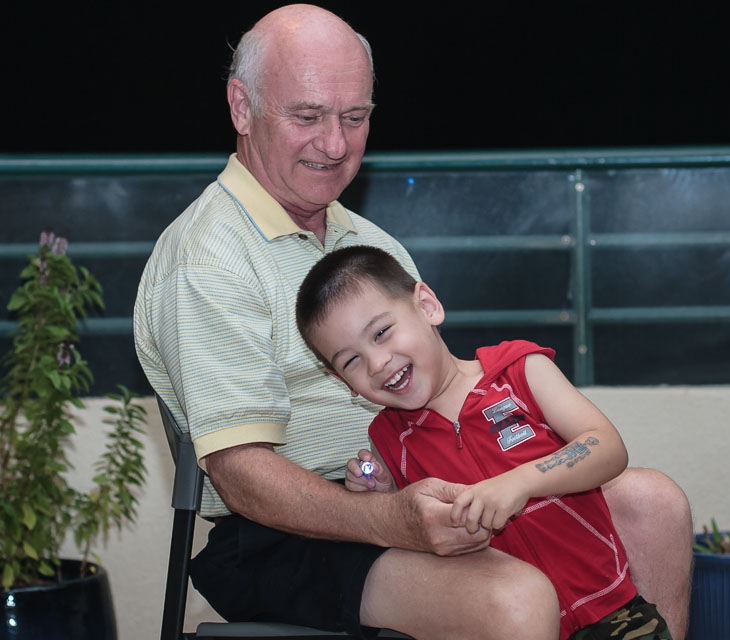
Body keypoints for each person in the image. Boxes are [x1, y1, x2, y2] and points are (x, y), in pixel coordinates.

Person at [133, 4, 691, 639]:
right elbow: (240, 476)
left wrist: (491, 473)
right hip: (283, 539)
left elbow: (444, 389)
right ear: (241, 107)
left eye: (354, 117)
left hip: (418, 489)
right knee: (515, 599)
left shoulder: (370, 243)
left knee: (654, 506)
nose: (335, 145)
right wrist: (392, 519)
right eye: (307, 117)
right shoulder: (207, 259)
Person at [295, 245, 672, 640]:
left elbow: (606, 446)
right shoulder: (387, 439)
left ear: (427, 306)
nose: (377, 363)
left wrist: (521, 482)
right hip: (512, 624)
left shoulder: (520, 370)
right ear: (342, 381)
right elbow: (418, 533)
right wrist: (381, 496)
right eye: (351, 361)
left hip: (613, 614)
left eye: (381, 333)